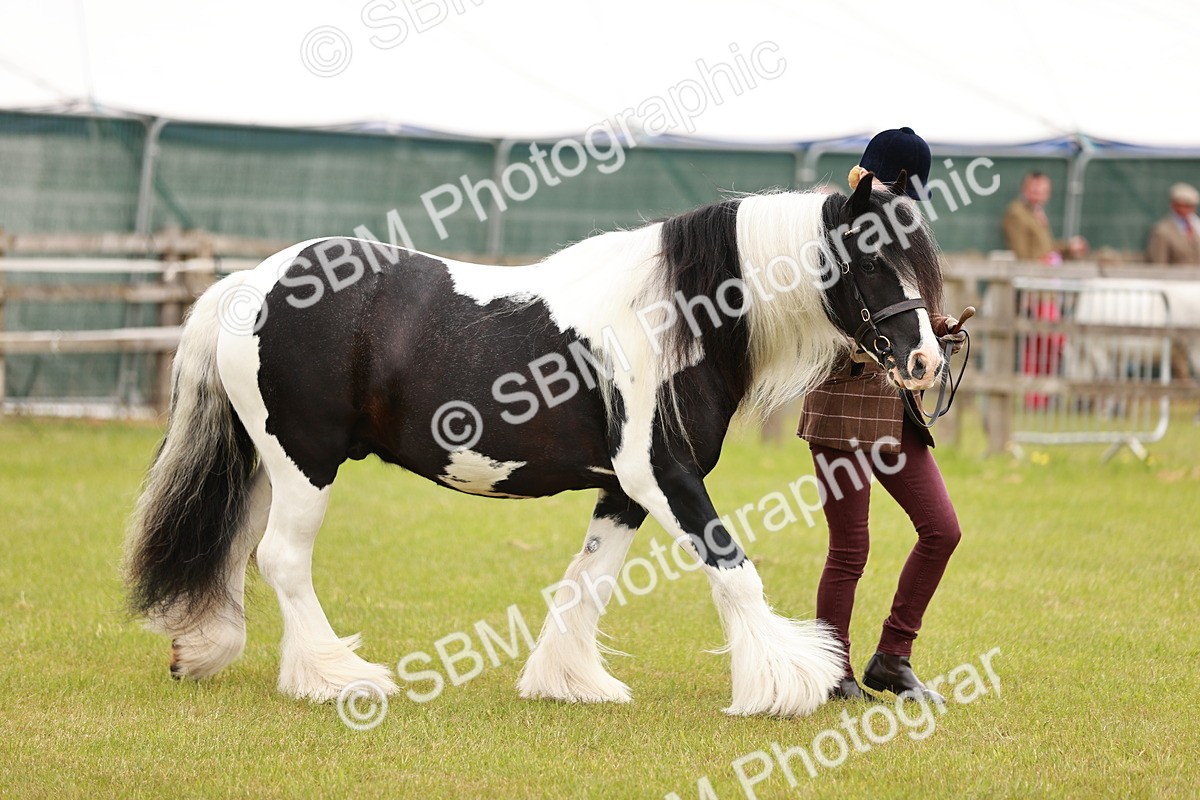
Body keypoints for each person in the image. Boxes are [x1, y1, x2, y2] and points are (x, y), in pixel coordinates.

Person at [798, 127, 966, 703]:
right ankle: (833, 671)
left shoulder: (901, 235)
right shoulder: (830, 230)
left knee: (942, 530)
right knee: (850, 549)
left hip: (896, 409)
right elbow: (824, 320)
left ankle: (892, 656)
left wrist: (934, 331)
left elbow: (904, 311)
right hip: (842, 407)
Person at [1003, 171, 1088, 263]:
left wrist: (1069, 247)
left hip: (1045, 270)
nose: (1039, 194)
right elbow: (1023, 256)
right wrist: (1044, 260)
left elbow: (1046, 247)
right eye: (1035, 190)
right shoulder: (1016, 214)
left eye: (1044, 190)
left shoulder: (1036, 212)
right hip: (1030, 273)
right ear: (1024, 189)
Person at [1147, 182, 1200, 265]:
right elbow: (1159, 264)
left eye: (1192, 206)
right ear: (1174, 205)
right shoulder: (1162, 231)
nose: (1189, 209)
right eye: (1185, 205)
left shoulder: (1196, 225)